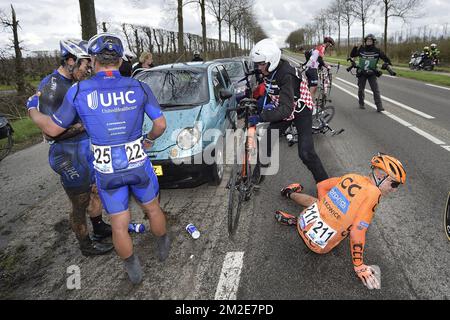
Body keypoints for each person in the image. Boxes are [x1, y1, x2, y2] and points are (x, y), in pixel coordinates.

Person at [27, 32, 170, 284]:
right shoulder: (139, 85)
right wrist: (147, 140)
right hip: (137, 163)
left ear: (93, 59)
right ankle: (162, 245)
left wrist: (31, 108)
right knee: (152, 208)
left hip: (107, 169)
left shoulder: (78, 90)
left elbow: (51, 129)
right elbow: (160, 124)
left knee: (119, 221)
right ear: (119, 59)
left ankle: (133, 268)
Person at [27, 39, 113, 256]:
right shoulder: (51, 88)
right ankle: (85, 245)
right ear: (71, 60)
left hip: (84, 150)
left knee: (95, 191)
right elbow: (49, 132)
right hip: (66, 154)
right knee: (80, 202)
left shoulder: (75, 83)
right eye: (85, 65)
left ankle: (99, 227)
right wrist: (86, 124)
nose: (88, 70)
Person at [274, 153, 406, 290]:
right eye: (394, 184)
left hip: (305, 222)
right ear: (380, 177)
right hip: (319, 247)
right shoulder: (374, 193)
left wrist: (325, 210)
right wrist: (359, 265)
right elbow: (357, 232)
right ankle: (299, 220)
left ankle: (288, 193)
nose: (395, 190)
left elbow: (321, 186)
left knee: (315, 202)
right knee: (354, 223)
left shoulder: (353, 177)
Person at [248, 38, 329, 183]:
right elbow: (270, 90)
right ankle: (258, 174)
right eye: (257, 64)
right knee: (267, 139)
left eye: (261, 64)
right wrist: (257, 104)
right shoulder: (269, 70)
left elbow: (286, 110)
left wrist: (261, 117)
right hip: (284, 105)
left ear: (271, 60)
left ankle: (325, 185)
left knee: (306, 152)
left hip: (300, 109)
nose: (259, 67)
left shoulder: (286, 75)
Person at [350, 34, 392, 112]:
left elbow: (386, 58)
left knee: (375, 90)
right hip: (362, 72)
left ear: (373, 42)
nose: (369, 42)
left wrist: (387, 63)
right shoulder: (361, 49)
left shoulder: (377, 50)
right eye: (367, 40)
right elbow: (352, 55)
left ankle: (379, 106)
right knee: (361, 89)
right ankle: (361, 103)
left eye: (370, 41)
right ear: (365, 41)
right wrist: (355, 47)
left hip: (372, 72)